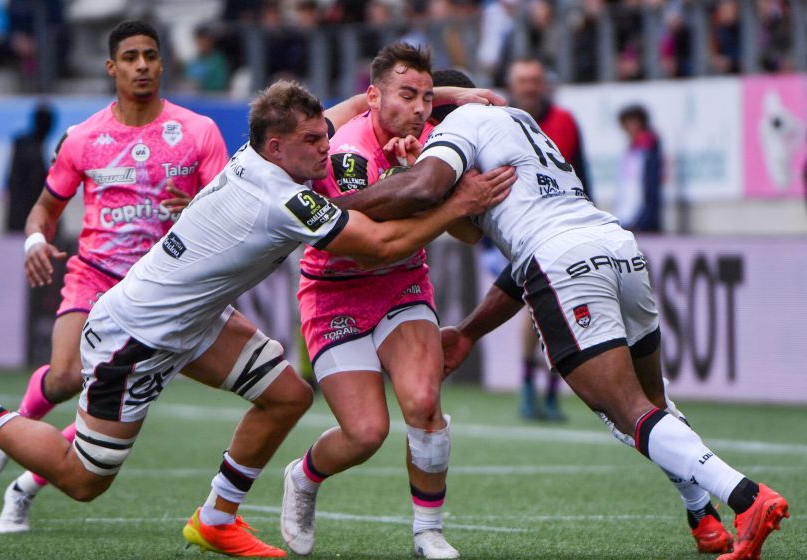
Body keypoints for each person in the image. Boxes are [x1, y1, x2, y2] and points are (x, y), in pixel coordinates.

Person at [0, 79, 514, 558]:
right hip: (139, 337)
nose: (329, 147)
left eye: (327, 136)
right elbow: (380, 245)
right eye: (315, 142)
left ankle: (216, 518)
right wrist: (460, 201)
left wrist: (454, 95)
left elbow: (354, 106)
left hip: (196, 321)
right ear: (279, 147)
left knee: (287, 396)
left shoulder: (265, 155)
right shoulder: (282, 198)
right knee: (82, 479)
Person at [354, 91, 788, 559]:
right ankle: (702, 517)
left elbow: (421, 190)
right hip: (617, 247)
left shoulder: (461, 124)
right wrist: (471, 331)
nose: (420, 132)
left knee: (625, 411)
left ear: (439, 116)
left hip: (562, 263)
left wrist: (332, 205)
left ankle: (747, 497)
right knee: (652, 403)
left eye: (424, 121)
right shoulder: (519, 124)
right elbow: (487, 240)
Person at [0, 21, 231, 534]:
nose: (141, 65)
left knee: (105, 407)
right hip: (95, 276)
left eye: (150, 55)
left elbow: (229, 207)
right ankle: (9, 426)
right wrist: (34, 241)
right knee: (66, 377)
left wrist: (198, 207)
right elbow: (42, 210)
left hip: (166, 291)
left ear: (163, 64)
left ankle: (24, 488)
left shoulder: (198, 132)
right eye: (129, 57)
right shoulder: (83, 139)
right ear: (112, 67)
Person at [281, 44, 505, 560]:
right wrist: (423, 190)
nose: (422, 108)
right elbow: (373, 238)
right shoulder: (347, 151)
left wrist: (439, 195)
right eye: (408, 95)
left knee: (424, 404)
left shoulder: (435, 143)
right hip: (336, 290)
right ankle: (304, 476)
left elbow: (470, 236)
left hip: (403, 285)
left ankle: (428, 532)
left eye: (428, 97)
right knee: (365, 433)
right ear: (373, 99)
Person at [506, 57, 592, 422]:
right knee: (536, 307)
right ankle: (529, 388)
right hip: (518, 231)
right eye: (523, 80)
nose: (529, 86)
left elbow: (581, 171)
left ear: (545, 83)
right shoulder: (502, 121)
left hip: (564, 225)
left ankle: (553, 392)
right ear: (512, 85)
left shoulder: (566, 121)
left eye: (535, 79)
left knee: (564, 306)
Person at [5, 102, 55, 233]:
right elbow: (18, 183)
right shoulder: (25, 146)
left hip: (33, 216)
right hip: (24, 217)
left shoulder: (33, 146)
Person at [616, 104, 662, 233]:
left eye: (633, 122)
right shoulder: (631, 149)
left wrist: (643, 220)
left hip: (641, 220)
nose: (630, 128)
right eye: (626, 124)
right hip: (627, 216)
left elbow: (650, 189)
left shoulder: (648, 149)